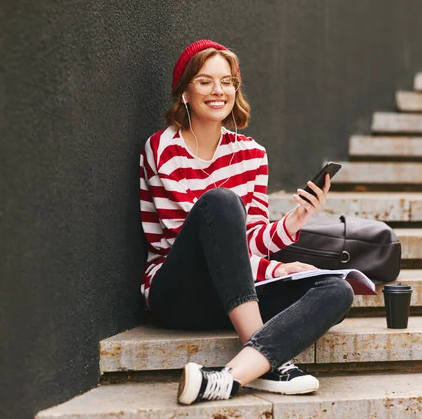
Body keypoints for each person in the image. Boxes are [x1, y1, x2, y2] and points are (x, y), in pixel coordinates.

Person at [139, 40, 354, 405]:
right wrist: (276, 269)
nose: (218, 91)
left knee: (336, 289)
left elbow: (249, 240)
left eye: (227, 82)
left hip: (235, 296)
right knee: (222, 201)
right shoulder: (163, 148)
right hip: (179, 292)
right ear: (186, 92)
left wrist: (296, 219)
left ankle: (230, 377)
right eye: (205, 81)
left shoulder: (252, 155)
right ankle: (271, 365)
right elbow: (202, 246)